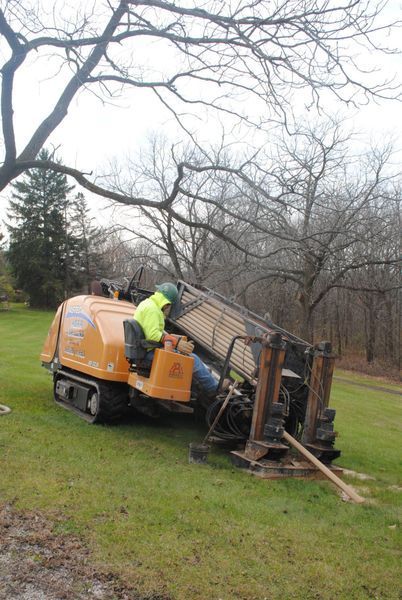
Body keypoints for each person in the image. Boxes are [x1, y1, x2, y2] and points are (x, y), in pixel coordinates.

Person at [134, 282, 223, 398]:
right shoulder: (153, 310)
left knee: (188, 357)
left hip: (144, 350)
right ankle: (213, 388)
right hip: (149, 353)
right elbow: (153, 335)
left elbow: (152, 330)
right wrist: (176, 343)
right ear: (167, 303)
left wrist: (176, 339)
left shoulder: (147, 304)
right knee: (193, 360)